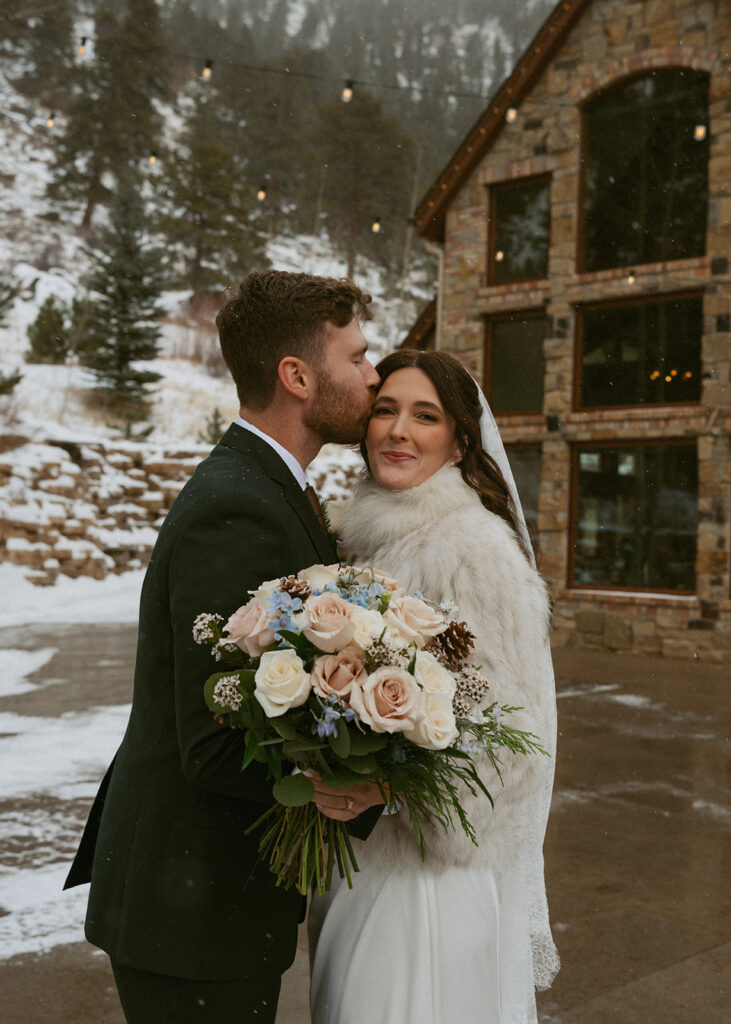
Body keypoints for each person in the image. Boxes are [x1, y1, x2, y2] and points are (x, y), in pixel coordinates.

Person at [63, 270, 384, 1024]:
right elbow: (212, 741)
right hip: (192, 909)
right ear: (297, 376)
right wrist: (371, 779)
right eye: (360, 359)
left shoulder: (271, 485)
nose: (374, 376)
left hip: (203, 903)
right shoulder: (239, 504)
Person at [308, 349, 559, 1024]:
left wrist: (387, 789)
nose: (398, 430)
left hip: (427, 882)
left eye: (425, 415)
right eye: (385, 410)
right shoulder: (359, 541)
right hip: (358, 868)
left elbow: (515, 741)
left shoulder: (471, 548)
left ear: (459, 440)